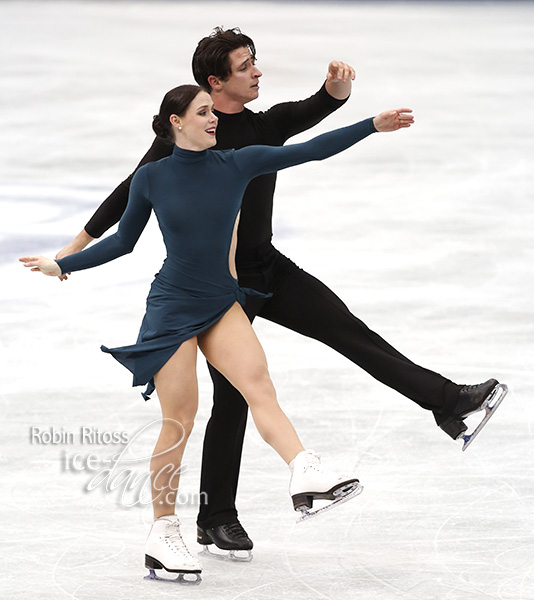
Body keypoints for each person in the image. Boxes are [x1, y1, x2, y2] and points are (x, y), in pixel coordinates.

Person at [54, 27, 505, 559]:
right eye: (245, 67)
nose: (257, 72)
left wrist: (337, 93)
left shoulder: (262, 126)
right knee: (233, 401)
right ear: (214, 83)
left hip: (268, 270)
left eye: (255, 62)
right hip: (220, 291)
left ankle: (448, 402)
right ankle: (216, 518)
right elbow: (130, 191)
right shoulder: (188, 138)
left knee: (348, 331)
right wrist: (73, 250)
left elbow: (310, 118)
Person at [20, 85, 415, 580]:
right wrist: (63, 264)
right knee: (179, 420)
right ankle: (163, 533)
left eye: (213, 113)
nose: (214, 121)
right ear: (175, 122)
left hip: (221, 302)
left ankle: (305, 470)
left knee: (258, 387)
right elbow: (123, 240)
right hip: (171, 310)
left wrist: (370, 127)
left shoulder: (236, 164)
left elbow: (307, 151)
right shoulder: (151, 179)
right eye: (204, 113)